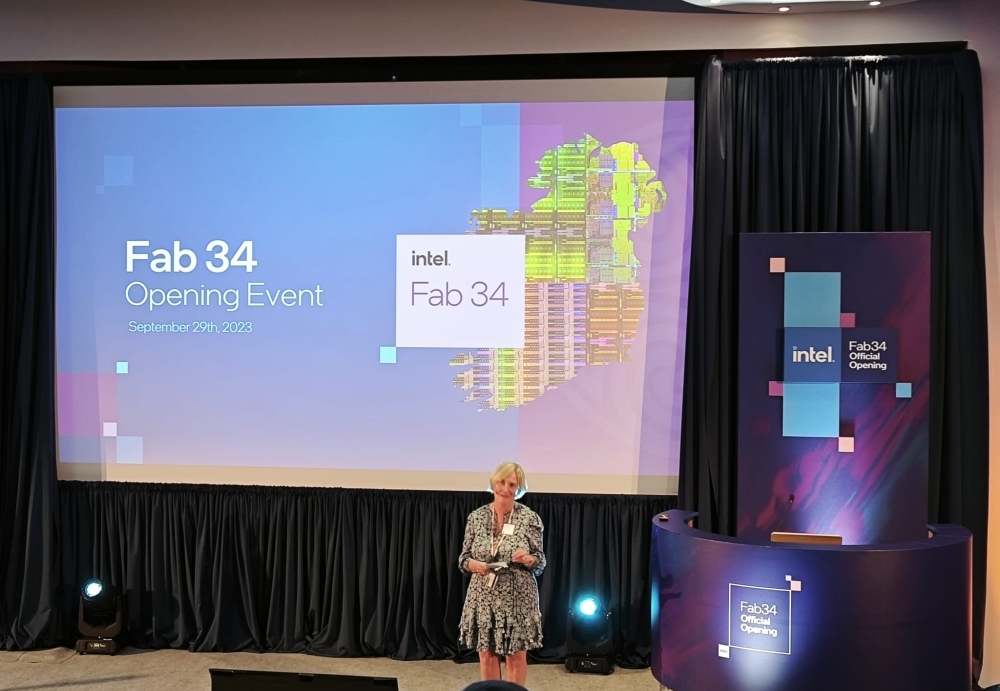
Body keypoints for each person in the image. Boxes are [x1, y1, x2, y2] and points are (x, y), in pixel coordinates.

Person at [458, 462, 546, 686]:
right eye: (501, 482)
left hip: (517, 597)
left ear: (519, 488)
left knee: (515, 656)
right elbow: (463, 559)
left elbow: (540, 560)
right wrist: (473, 565)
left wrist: (528, 558)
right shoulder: (476, 517)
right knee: (487, 655)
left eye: (512, 484)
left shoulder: (529, 518)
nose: (505, 489)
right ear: (493, 483)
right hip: (483, 596)